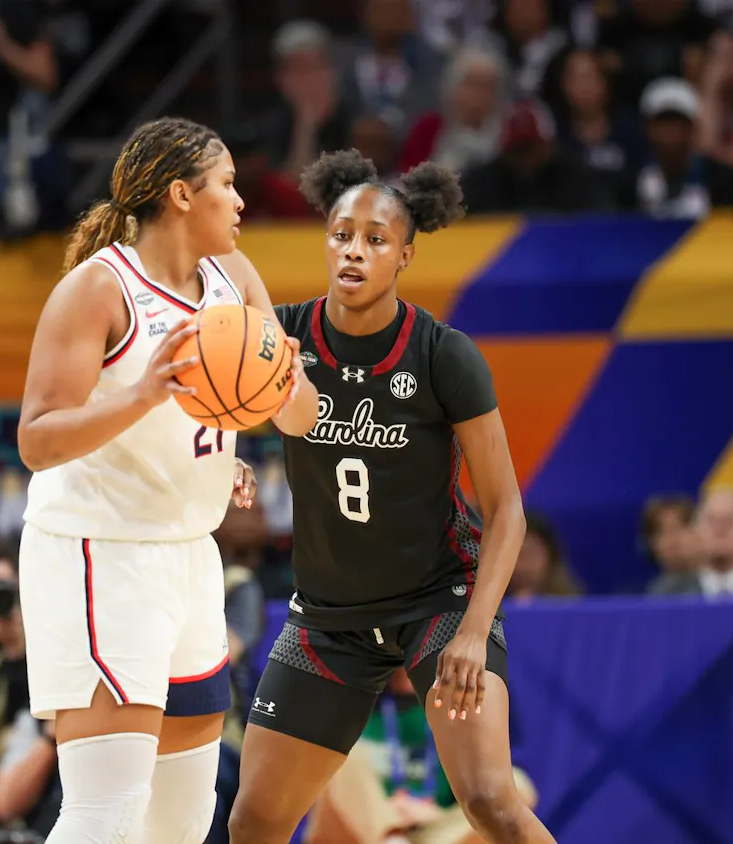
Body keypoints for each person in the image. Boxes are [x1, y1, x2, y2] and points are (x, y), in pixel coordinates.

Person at [228, 150, 554, 844]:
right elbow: (212, 397)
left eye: (376, 239)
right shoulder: (282, 338)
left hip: (436, 604)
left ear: (404, 255)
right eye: (342, 234)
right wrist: (222, 454)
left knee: (492, 802)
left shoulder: (443, 354)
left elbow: (507, 511)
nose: (354, 251)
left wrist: (473, 632)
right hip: (328, 617)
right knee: (253, 822)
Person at [14, 115, 320, 844]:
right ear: (182, 195)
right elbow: (36, 439)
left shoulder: (234, 278)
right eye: (228, 185)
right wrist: (146, 395)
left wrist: (276, 380)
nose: (242, 201)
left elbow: (300, 417)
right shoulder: (98, 290)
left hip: (189, 553)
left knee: (184, 820)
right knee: (107, 812)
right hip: (99, 552)